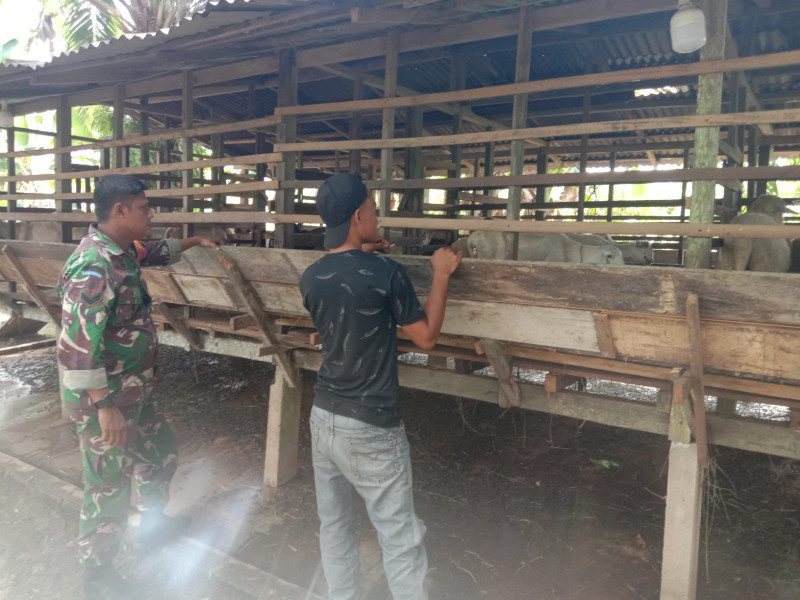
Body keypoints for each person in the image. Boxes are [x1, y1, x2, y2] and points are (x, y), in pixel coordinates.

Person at [56, 174, 221, 599]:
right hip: (106, 402)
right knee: (108, 485)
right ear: (120, 211)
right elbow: (75, 346)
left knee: (160, 453)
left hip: (133, 394)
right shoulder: (94, 266)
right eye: (144, 207)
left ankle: (154, 528)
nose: (151, 214)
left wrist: (196, 241)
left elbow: (157, 251)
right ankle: (97, 575)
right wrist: (104, 406)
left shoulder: (124, 251)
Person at [299, 173, 462, 600]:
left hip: (324, 417)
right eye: (373, 208)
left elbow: (346, 283)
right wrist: (441, 274)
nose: (377, 215)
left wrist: (363, 251)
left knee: (335, 525)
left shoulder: (311, 277)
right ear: (358, 216)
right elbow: (426, 337)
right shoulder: (386, 273)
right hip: (370, 425)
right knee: (399, 535)